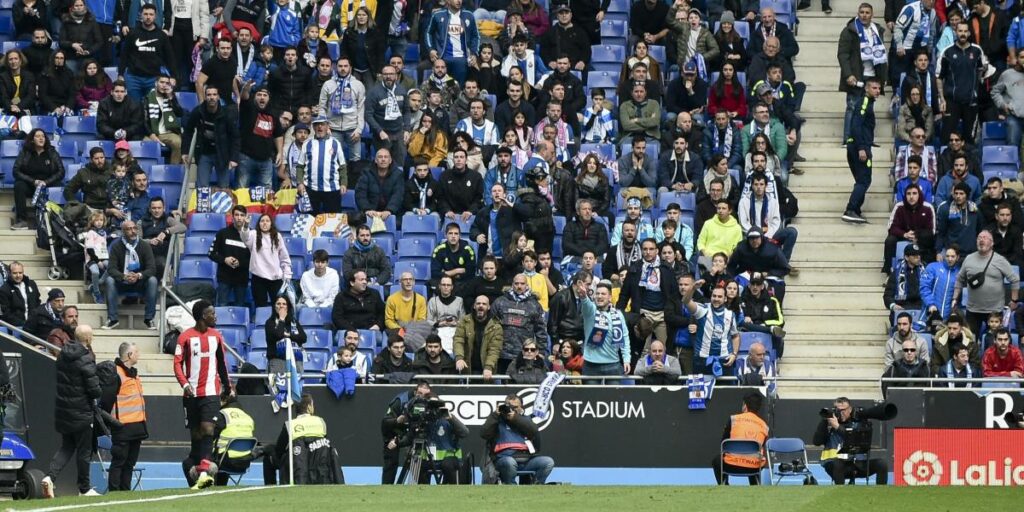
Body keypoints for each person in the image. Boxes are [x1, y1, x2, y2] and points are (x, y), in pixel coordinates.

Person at [40, 325, 101, 498]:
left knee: (67, 447)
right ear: (88, 339)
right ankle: (84, 488)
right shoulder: (86, 359)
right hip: (82, 412)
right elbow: (94, 390)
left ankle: (49, 477)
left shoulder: (63, 355)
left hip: (64, 411)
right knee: (84, 451)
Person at [262, 394, 343, 485]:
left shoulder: (290, 425)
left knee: (269, 456)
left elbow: (279, 450)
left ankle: (270, 487)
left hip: (298, 465)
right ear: (309, 407)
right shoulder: (321, 422)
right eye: (312, 405)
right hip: (319, 465)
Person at [837, 3, 889, 141]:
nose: (864, 15)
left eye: (867, 12)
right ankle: (848, 139)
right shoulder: (849, 30)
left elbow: (882, 55)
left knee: (869, 110)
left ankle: (867, 140)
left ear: (872, 15)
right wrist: (848, 74)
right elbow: (843, 54)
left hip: (872, 76)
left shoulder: (877, 30)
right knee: (852, 107)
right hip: (856, 75)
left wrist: (882, 77)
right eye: (862, 12)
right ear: (858, 13)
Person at [101, 341, 148, 492]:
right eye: (137, 352)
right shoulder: (115, 374)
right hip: (122, 427)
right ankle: (115, 492)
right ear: (129, 355)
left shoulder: (134, 374)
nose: (139, 355)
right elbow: (106, 402)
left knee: (129, 463)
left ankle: (125, 492)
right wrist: (113, 423)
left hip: (137, 426)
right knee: (119, 462)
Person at [952, 230, 1019, 334]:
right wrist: (954, 298)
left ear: (992, 243)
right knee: (970, 342)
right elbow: (959, 279)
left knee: (994, 342)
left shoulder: (1000, 260)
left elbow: (1014, 280)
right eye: (979, 238)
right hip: (973, 310)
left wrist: (1014, 300)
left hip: (994, 311)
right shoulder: (969, 259)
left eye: (985, 238)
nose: (981, 240)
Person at [481, 393, 555, 484]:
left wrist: (515, 418)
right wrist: (495, 415)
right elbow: (484, 434)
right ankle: (512, 487)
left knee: (548, 462)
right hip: (504, 459)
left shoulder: (525, 419)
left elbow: (534, 431)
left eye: (515, 407)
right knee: (510, 462)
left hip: (526, 461)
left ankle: (536, 487)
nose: (511, 409)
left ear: (521, 407)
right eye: (509, 406)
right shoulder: (497, 420)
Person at [813, 397, 889, 485]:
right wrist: (825, 422)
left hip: (858, 464)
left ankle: (881, 491)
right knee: (838, 463)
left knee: (882, 464)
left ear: (850, 410)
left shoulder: (857, 422)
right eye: (837, 410)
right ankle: (839, 492)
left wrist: (837, 427)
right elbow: (817, 442)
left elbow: (854, 439)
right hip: (834, 464)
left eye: (843, 410)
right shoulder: (828, 423)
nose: (840, 413)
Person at [100, 221, 158, 330]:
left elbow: (152, 268)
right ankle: (112, 319)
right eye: (129, 229)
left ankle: (149, 319)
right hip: (122, 282)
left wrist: (138, 275)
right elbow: (111, 268)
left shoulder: (144, 245)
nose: (132, 231)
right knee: (109, 280)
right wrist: (124, 276)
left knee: (153, 280)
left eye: (134, 228)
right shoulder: (116, 246)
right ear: (123, 231)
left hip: (140, 282)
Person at [937, 21, 988, 143]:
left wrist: (974, 89)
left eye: (965, 31)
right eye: (960, 31)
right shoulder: (947, 52)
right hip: (952, 101)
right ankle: (946, 161)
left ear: (969, 33)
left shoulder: (977, 51)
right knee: (947, 137)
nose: (963, 34)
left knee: (969, 139)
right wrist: (942, 99)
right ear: (955, 32)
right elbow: (939, 77)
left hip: (971, 101)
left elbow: (981, 70)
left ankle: (968, 162)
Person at [182, 87, 241, 189]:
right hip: (204, 153)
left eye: (214, 94)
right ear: (205, 97)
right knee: (202, 189)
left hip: (222, 155)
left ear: (218, 97)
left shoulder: (226, 114)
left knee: (224, 188)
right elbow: (188, 131)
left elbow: (235, 137)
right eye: (209, 95)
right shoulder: (198, 111)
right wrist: (185, 151)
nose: (211, 97)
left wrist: (234, 158)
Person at [842, 78, 881, 224]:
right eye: (874, 88)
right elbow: (856, 125)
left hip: (857, 145)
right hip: (860, 146)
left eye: (878, 88)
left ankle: (856, 210)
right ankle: (851, 209)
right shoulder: (864, 102)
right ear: (866, 89)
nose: (877, 91)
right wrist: (862, 148)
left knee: (862, 180)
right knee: (864, 180)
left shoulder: (867, 102)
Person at [681, 281, 741, 375]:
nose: (716, 299)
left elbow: (735, 336)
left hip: (724, 360)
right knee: (699, 390)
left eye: (720, 297)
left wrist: (734, 354)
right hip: (702, 360)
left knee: (726, 390)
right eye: (714, 296)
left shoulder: (730, 315)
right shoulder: (703, 310)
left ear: (725, 299)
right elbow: (686, 301)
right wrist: (693, 288)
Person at [491, 274, 548, 374]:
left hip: (525, 353)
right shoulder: (500, 302)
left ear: (527, 286)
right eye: (516, 283)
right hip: (502, 353)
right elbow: (490, 326)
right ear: (512, 285)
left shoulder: (535, 305)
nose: (519, 286)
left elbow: (541, 331)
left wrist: (541, 352)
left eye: (522, 283)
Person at [118, 4, 175, 100]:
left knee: (152, 110)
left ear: (155, 16)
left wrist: (173, 76)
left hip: (153, 79)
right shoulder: (132, 33)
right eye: (146, 14)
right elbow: (124, 55)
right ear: (141, 15)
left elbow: (170, 57)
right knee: (134, 110)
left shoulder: (162, 36)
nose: (148, 17)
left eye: (151, 14)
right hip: (133, 78)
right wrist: (120, 74)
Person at [11, 129, 63, 230]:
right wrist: (33, 181)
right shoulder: (25, 152)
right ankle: (22, 221)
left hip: (47, 185)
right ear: (32, 140)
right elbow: (16, 171)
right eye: (38, 136)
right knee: (19, 185)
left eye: (43, 136)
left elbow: (61, 172)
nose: (41, 138)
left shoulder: (52, 152)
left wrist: (46, 182)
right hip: (31, 184)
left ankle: (55, 221)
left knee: (59, 186)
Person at [711, 392, 768, 485]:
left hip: (731, 465)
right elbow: (760, 447)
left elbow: (723, 444)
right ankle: (755, 487)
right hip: (754, 467)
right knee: (756, 456)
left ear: (745, 406)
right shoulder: (764, 426)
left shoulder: (733, 419)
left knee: (717, 460)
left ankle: (724, 486)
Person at [380, 381, 431, 484]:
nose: (422, 397)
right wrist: (397, 420)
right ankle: (386, 487)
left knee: (422, 462)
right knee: (391, 460)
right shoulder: (401, 400)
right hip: (396, 432)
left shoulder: (430, 401)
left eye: (426, 395)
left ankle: (422, 488)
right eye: (420, 394)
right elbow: (385, 423)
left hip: (415, 433)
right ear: (415, 391)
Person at [297, 116, 349, 215]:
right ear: (313, 127)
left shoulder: (335, 143)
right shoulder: (307, 144)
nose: (319, 127)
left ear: (327, 126)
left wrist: (343, 183)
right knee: (310, 221)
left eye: (322, 124)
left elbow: (342, 166)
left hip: (332, 189)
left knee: (333, 222)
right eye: (317, 124)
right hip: (311, 189)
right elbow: (300, 166)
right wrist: (300, 183)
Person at [241, 214, 292, 308]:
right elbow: (244, 237)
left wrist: (287, 273)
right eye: (262, 221)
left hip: (275, 279)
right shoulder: (253, 234)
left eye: (267, 221)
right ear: (259, 223)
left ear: (271, 223)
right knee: (260, 306)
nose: (265, 223)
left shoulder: (277, 236)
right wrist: (246, 225)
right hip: (258, 278)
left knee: (278, 307)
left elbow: (284, 257)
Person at [886, 184, 935, 275]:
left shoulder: (928, 208)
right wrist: (904, 234)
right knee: (890, 240)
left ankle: (925, 271)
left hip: (921, 239)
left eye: (914, 193)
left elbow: (932, 230)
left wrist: (917, 235)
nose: (911, 197)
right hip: (903, 236)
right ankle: (890, 272)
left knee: (929, 239)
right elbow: (891, 227)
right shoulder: (899, 207)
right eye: (908, 194)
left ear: (919, 195)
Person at [208, 206, 252, 307]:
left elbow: (255, 258)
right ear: (232, 217)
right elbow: (211, 253)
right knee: (222, 306)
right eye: (236, 215)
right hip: (224, 278)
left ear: (246, 217)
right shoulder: (222, 233)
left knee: (240, 307)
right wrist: (224, 260)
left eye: (242, 215)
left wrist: (240, 263)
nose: (239, 218)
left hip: (242, 278)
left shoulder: (251, 235)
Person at [210, 394, 256, 486]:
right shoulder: (248, 417)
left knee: (202, 453)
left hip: (225, 462)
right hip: (245, 462)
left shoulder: (222, 415)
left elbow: (210, 436)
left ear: (224, 401)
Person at [141, 75, 183, 164]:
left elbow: (180, 113)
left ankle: (173, 171)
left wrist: (171, 97)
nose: (164, 85)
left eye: (167, 83)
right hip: (151, 133)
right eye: (161, 82)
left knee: (178, 142)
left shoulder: (171, 97)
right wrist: (151, 134)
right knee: (144, 144)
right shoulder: (147, 98)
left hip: (168, 133)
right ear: (156, 83)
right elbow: (143, 121)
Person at [992, 48, 1024, 162]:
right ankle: (1013, 176)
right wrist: (1003, 105)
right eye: (1022, 57)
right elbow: (995, 92)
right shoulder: (1007, 74)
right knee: (1012, 148)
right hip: (1014, 117)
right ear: (1016, 59)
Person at [266, 295, 307, 375]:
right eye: (278, 304)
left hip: (296, 360)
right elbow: (278, 335)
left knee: (296, 386)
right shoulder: (270, 323)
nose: (281, 306)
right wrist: (281, 319)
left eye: (284, 304)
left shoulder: (294, 322)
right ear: (274, 307)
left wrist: (288, 335)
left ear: (288, 307)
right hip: (277, 360)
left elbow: (303, 338)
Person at [883, 243, 926, 313]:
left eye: (919, 255)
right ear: (906, 257)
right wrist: (893, 305)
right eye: (914, 256)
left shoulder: (925, 271)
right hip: (902, 306)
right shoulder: (896, 272)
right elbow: (888, 295)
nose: (918, 257)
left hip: (921, 306)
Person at [0, 261, 40, 327]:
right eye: (15, 273)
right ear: (9, 273)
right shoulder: (4, 290)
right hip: (17, 327)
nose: (18, 275)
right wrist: (23, 324)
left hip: (33, 324)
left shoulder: (32, 284)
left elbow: (37, 302)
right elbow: (6, 313)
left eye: (20, 273)